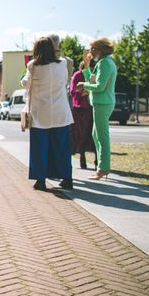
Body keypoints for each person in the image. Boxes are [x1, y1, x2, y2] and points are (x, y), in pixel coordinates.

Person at [21, 37, 73, 191]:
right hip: (60, 111)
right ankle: (67, 178)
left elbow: (25, 83)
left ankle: (41, 180)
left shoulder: (32, 66)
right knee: (62, 147)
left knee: (39, 148)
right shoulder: (63, 63)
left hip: (40, 113)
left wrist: (22, 77)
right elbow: (65, 81)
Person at [77, 38, 118, 180]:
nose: (90, 51)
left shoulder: (105, 63)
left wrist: (83, 84)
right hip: (101, 103)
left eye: (93, 48)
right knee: (96, 135)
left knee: (102, 137)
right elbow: (93, 81)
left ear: (101, 49)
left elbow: (99, 87)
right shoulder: (103, 62)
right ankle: (102, 168)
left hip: (103, 103)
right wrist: (87, 67)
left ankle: (103, 169)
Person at [69, 54, 96, 170]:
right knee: (80, 134)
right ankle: (82, 156)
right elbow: (72, 91)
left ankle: (96, 160)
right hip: (79, 109)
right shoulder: (77, 75)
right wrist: (82, 92)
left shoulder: (93, 76)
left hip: (91, 108)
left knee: (91, 134)